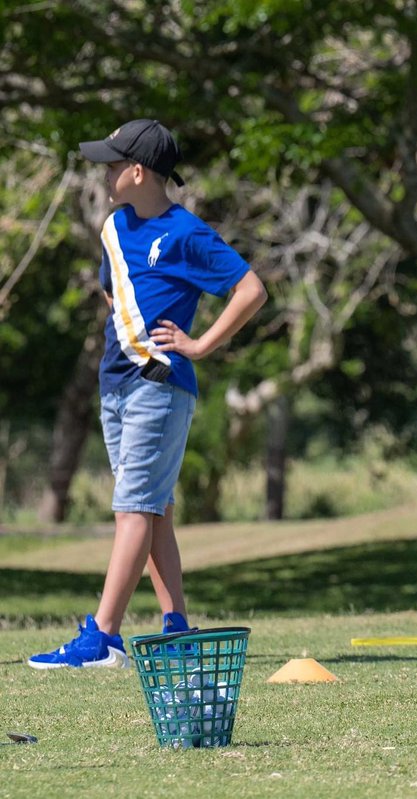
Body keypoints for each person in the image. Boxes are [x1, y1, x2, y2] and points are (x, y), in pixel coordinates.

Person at [27, 119, 267, 669]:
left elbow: (251, 289)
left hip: (158, 388)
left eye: (111, 165)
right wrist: (130, 339)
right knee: (153, 509)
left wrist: (200, 343)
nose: (104, 174)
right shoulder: (114, 228)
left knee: (134, 508)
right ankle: (176, 625)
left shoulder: (185, 232)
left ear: (137, 171)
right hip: (115, 385)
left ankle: (104, 637)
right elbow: (116, 293)